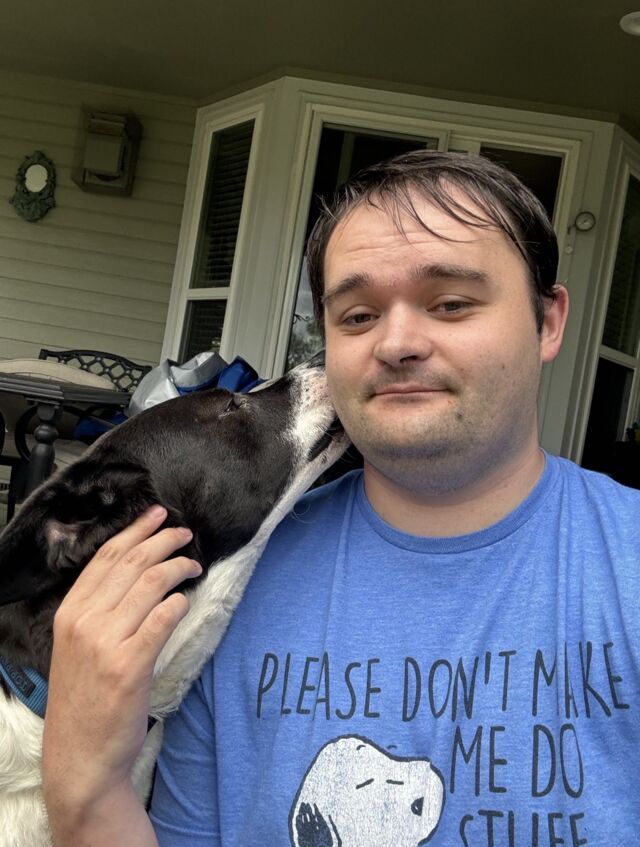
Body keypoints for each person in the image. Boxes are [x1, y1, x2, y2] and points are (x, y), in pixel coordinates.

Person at [43, 151, 640, 846]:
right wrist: (86, 790)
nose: (397, 342)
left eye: (451, 303)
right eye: (357, 316)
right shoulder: (229, 586)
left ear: (548, 321)